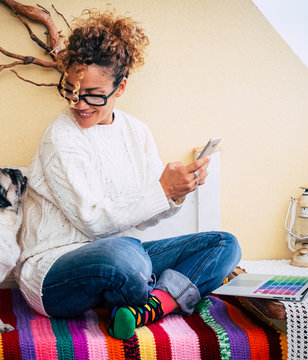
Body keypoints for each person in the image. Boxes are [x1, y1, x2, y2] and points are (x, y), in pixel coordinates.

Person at [16, 9, 241, 340]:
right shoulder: (60, 136)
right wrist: (162, 190)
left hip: (121, 255)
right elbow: (92, 222)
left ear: (120, 88)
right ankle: (160, 289)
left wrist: (177, 191)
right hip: (53, 271)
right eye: (71, 90)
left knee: (224, 245)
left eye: (93, 94)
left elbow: (147, 217)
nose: (79, 104)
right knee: (125, 256)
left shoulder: (137, 132)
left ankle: (150, 306)